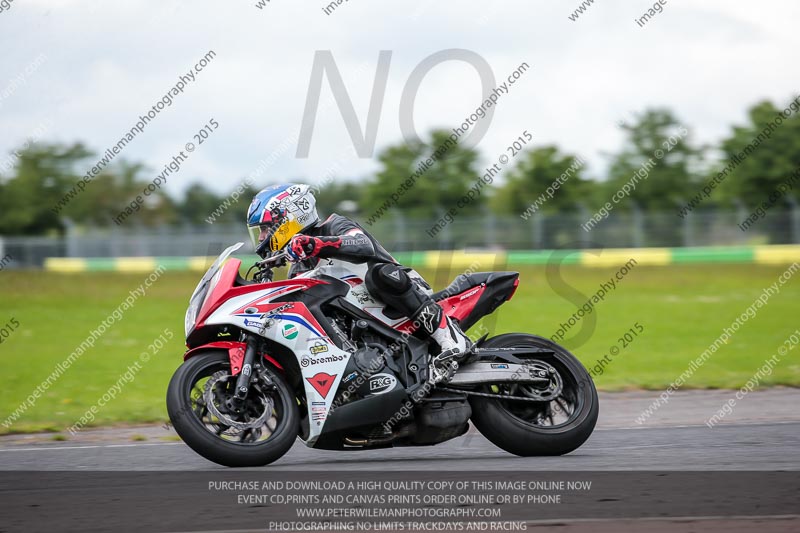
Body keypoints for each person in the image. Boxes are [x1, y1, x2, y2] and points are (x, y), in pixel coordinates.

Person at [246, 183, 472, 380]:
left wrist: (317, 243)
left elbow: (363, 245)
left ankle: (450, 337)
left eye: (265, 228)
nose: (262, 238)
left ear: (289, 216)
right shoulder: (298, 268)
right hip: (365, 325)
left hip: (402, 292)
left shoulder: (333, 225)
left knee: (380, 275)